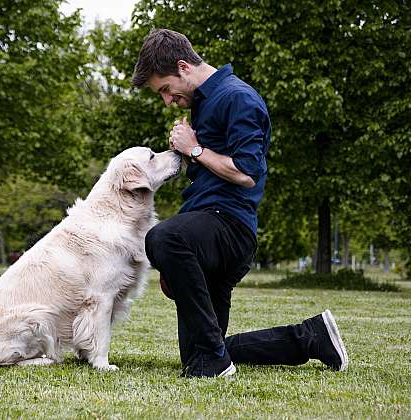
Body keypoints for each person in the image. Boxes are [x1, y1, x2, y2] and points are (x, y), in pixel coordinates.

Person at [132, 29, 348, 378]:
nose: (167, 101)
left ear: (183, 67)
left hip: (228, 227)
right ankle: (311, 337)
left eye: (166, 90)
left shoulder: (238, 98)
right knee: (200, 353)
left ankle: (215, 362)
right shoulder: (204, 103)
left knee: (163, 238)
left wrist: (194, 149)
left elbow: (248, 172)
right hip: (208, 227)